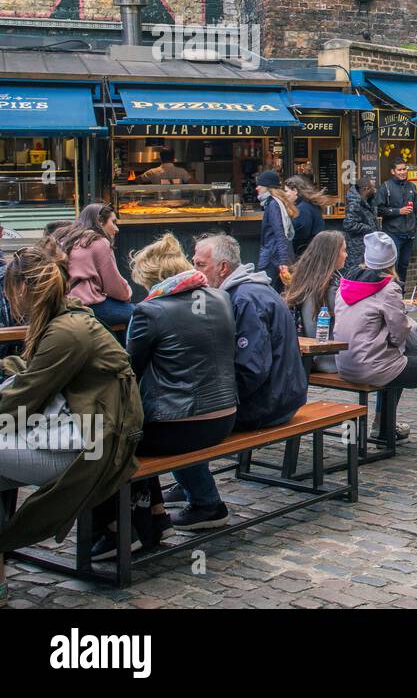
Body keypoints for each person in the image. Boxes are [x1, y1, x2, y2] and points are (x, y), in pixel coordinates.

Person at [0, 241, 143, 595]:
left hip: (97, 444)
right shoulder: (69, 316)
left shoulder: (66, 330)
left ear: (21, 288)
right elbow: (36, 379)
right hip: (97, 428)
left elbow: (25, 397)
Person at [110, 234, 238, 542]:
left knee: (120, 440)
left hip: (181, 425)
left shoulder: (149, 311)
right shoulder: (220, 298)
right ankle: (166, 511)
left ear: (153, 279)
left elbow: (129, 371)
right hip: (225, 416)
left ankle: (134, 525)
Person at [336, 232, 417, 457]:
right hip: (371, 366)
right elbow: (399, 332)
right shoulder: (387, 288)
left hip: (344, 363)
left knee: (399, 362)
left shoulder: (346, 285)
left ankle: (385, 430)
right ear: (391, 261)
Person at [192, 234, 307, 440]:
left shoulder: (244, 298)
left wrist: (217, 399)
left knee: (183, 426)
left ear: (223, 268)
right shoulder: (248, 290)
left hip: (268, 404)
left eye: (201, 265)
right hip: (282, 395)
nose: (195, 272)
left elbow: (251, 368)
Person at [56, 203, 134, 333]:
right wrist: (127, 293)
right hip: (86, 305)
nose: (116, 229)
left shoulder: (65, 239)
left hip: (61, 303)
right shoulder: (97, 241)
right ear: (99, 221)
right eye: (113, 222)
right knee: (137, 314)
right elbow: (113, 284)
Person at [284, 229, 347, 375]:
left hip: (308, 357)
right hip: (328, 357)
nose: (346, 255)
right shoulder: (329, 288)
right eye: (344, 251)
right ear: (332, 255)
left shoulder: (306, 280)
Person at [375, 160, 417, 284]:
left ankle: (401, 294)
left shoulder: (412, 186)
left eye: (404, 169)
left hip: (409, 234)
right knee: (392, 266)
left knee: (404, 266)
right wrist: (398, 211)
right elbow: (379, 210)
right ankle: (391, 294)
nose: (402, 172)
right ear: (393, 171)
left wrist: (414, 225)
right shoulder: (386, 187)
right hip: (393, 233)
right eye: (399, 170)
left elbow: (416, 209)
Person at [254, 170, 296, 291]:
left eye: (260, 185)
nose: (257, 188)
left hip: (272, 258)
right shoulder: (276, 203)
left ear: (268, 187)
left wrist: (283, 261)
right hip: (276, 257)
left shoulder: (273, 205)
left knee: (265, 291)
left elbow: (280, 233)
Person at [343, 176, 379, 275]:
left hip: (366, 246)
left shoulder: (368, 201)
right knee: (357, 275)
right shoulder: (355, 203)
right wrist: (369, 228)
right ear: (366, 189)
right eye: (373, 187)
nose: (375, 190)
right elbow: (349, 224)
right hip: (357, 249)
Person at [285, 176, 328, 258]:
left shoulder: (302, 209)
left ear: (295, 191)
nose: (285, 194)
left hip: (305, 254)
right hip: (314, 252)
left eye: (286, 191)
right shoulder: (310, 204)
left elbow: (300, 235)